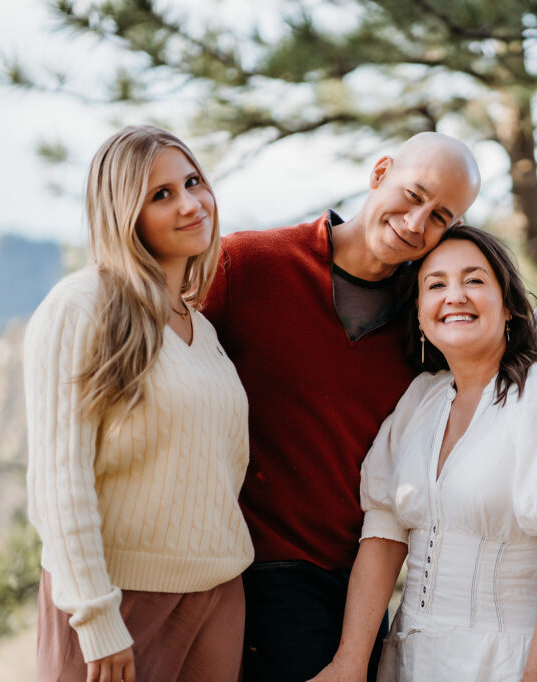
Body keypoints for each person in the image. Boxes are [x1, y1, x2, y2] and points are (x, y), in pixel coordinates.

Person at [200, 132, 482, 680]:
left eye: (441, 216)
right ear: (379, 172)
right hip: (242, 573)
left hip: (354, 590)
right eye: (412, 194)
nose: (416, 222)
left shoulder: (428, 322)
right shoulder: (247, 265)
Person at [312, 226, 537, 682]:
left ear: (509, 305)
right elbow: (383, 536)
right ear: (419, 315)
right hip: (410, 659)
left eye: (474, 281)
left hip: (506, 661)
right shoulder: (420, 400)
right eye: (436, 285)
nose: (455, 296)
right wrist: (350, 662)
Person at [25, 125, 253, 682]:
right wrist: (96, 614)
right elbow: (61, 478)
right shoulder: (83, 306)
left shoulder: (202, 328)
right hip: (118, 600)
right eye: (161, 195)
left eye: (192, 181)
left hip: (218, 595)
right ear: (125, 215)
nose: (190, 203)